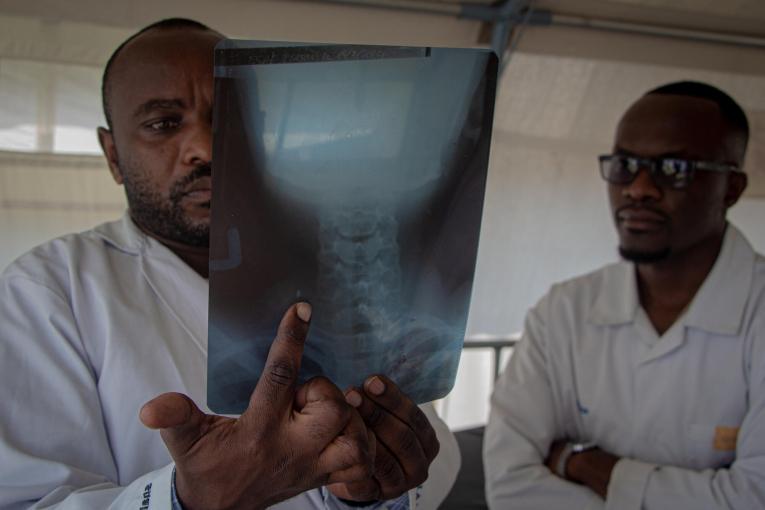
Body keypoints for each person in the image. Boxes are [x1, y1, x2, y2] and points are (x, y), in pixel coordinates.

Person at [0, 18, 459, 510]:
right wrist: (185, 501)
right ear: (113, 155)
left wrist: (375, 487)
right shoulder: (48, 291)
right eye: (164, 124)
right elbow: (27, 500)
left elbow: (427, 455)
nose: (204, 148)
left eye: (228, 119)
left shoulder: (325, 266)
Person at [484, 81, 765, 509]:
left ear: (732, 188)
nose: (639, 188)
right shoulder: (563, 312)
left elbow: (754, 497)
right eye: (624, 164)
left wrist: (586, 465)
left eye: (673, 167)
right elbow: (510, 486)